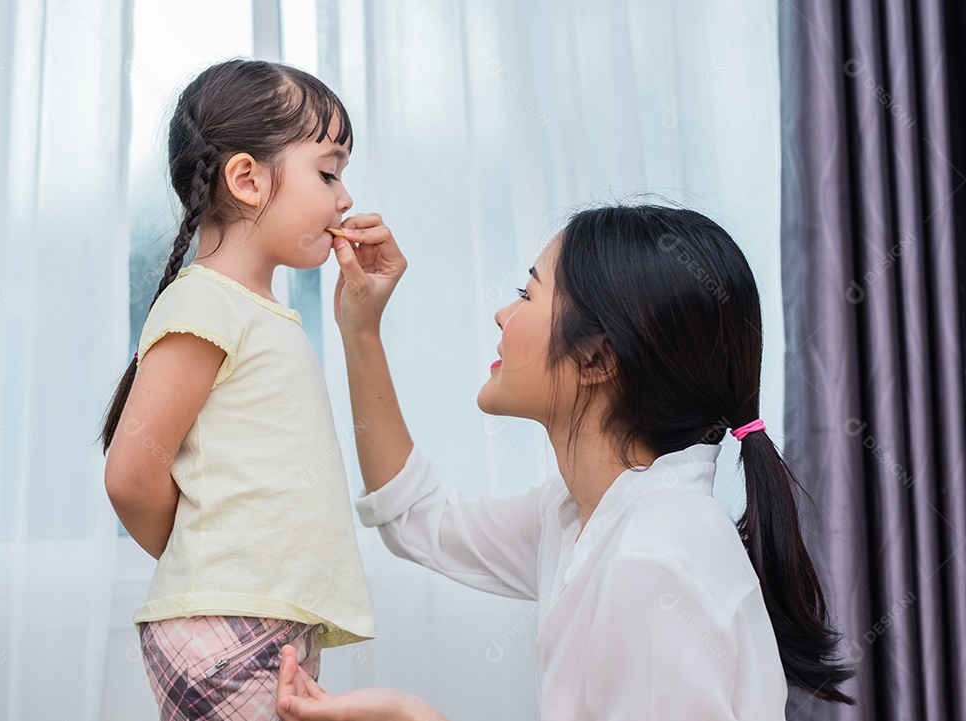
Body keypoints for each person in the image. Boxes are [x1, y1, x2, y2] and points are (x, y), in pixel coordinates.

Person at [274, 205, 855, 720]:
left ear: (598, 357)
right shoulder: (581, 513)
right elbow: (415, 519)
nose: (502, 314)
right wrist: (360, 327)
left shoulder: (655, 553)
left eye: (527, 294)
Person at [100, 59, 375, 720]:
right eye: (329, 172)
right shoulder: (207, 302)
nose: (345, 199)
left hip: (261, 620)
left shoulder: (253, 312)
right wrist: (209, 546)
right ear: (248, 179)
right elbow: (130, 476)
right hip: (228, 622)